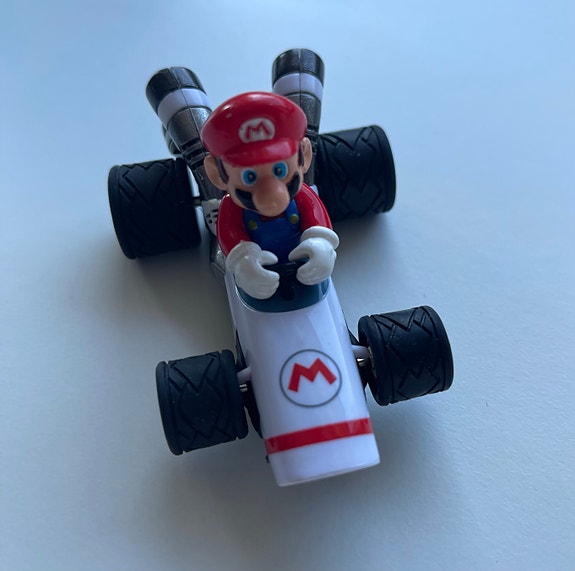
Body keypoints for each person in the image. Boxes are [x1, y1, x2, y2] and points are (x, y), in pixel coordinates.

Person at [201, 92, 339, 299]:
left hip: (301, 259)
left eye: (279, 171)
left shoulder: (303, 194)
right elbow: (231, 233)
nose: (271, 196)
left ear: (304, 156)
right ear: (217, 175)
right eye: (249, 177)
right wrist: (243, 260)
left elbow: (316, 220)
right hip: (259, 268)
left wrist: (321, 244)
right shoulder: (230, 207)